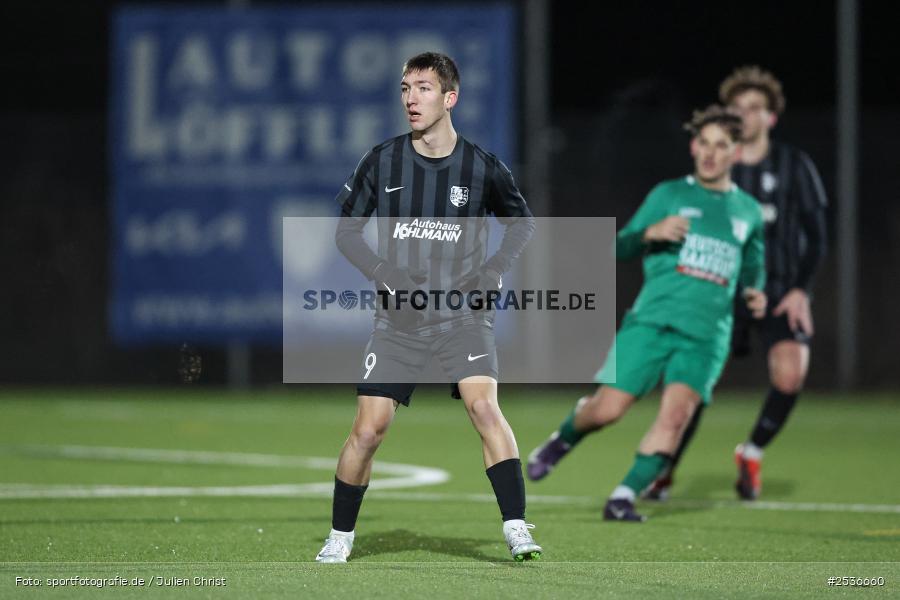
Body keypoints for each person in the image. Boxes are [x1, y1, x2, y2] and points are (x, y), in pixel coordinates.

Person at [315, 52, 541, 562]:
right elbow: (346, 233)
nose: (410, 99)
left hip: (463, 317)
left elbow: (522, 223)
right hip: (398, 322)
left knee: (485, 407)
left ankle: (516, 527)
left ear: (449, 97)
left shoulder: (481, 167)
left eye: (422, 88)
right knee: (369, 429)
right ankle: (341, 536)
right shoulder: (383, 160)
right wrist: (384, 273)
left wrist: (494, 269)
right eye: (404, 88)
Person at [526, 105, 767, 522]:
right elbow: (617, 248)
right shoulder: (669, 195)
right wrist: (650, 233)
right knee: (607, 410)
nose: (710, 153)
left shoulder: (748, 211)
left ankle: (623, 496)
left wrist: (755, 292)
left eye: (721, 146)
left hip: (707, 334)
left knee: (677, 416)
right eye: (704, 143)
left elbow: (752, 267)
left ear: (736, 153)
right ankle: (562, 439)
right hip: (652, 322)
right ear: (693, 146)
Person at [644, 66, 828, 501]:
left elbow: (818, 236)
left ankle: (752, 451)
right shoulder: (713, 170)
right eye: (737, 108)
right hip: (720, 292)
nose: (745, 115)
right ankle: (664, 468)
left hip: (779, 290)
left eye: (754, 108)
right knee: (692, 383)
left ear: (771, 117)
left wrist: (802, 290)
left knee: (791, 373)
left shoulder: (793, 165)